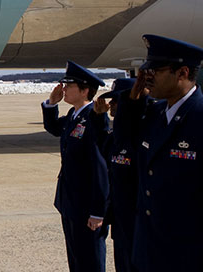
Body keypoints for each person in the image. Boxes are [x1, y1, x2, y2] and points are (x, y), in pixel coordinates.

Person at [117, 34, 203, 271]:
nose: (147, 77)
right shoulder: (154, 114)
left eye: (155, 70)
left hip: (185, 255)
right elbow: (123, 140)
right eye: (147, 70)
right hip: (148, 250)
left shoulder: (199, 117)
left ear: (183, 73)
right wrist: (132, 101)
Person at [42, 61, 109, 272]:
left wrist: (98, 211)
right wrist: (51, 104)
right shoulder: (74, 115)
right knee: (76, 258)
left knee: (90, 260)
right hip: (70, 202)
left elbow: (101, 167)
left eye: (69, 85)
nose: (64, 89)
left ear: (85, 90)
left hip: (87, 205)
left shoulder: (94, 119)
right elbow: (54, 127)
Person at [93, 77, 138, 272]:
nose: (111, 105)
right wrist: (99, 117)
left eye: (116, 101)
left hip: (137, 222)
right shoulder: (116, 136)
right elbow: (102, 150)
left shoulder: (142, 135)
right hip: (120, 220)